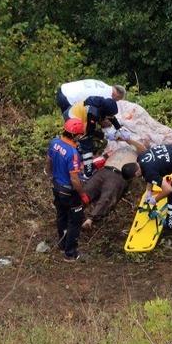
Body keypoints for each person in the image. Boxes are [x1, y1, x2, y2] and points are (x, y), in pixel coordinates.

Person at [46, 118, 92, 261]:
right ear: (76, 135)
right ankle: (70, 253)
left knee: (61, 215)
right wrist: (82, 194)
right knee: (75, 220)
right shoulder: (73, 154)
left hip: (56, 187)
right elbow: (74, 179)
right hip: (69, 191)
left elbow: (49, 162)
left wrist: (49, 174)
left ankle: (62, 243)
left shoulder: (54, 143)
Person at [67, 95, 124, 177]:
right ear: (104, 112)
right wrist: (105, 135)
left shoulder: (104, 103)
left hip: (77, 110)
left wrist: (119, 129)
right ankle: (87, 173)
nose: (110, 118)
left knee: (91, 137)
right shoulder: (93, 113)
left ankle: (79, 148)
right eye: (109, 115)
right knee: (86, 142)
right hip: (73, 117)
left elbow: (112, 117)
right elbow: (90, 131)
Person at [56, 79, 126, 120]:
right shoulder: (106, 96)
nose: (116, 101)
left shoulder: (103, 85)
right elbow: (93, 112)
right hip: (69, 97)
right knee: (71, 122)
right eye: (118, 99)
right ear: (117, 95)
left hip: (64, 88)